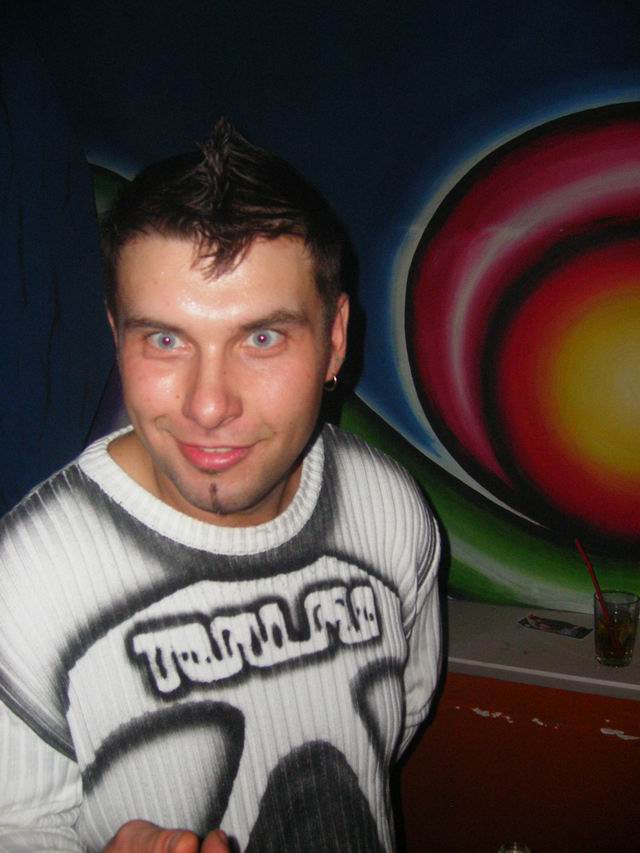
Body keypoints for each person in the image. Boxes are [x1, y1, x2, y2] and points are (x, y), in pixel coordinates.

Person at [0, 118, 442, 852]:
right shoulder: (27, 580)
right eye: (164, 339)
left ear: (335, 339)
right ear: (116, 334)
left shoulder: (390, 509)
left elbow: (397, 723)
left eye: (262, 338)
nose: (209, 406)